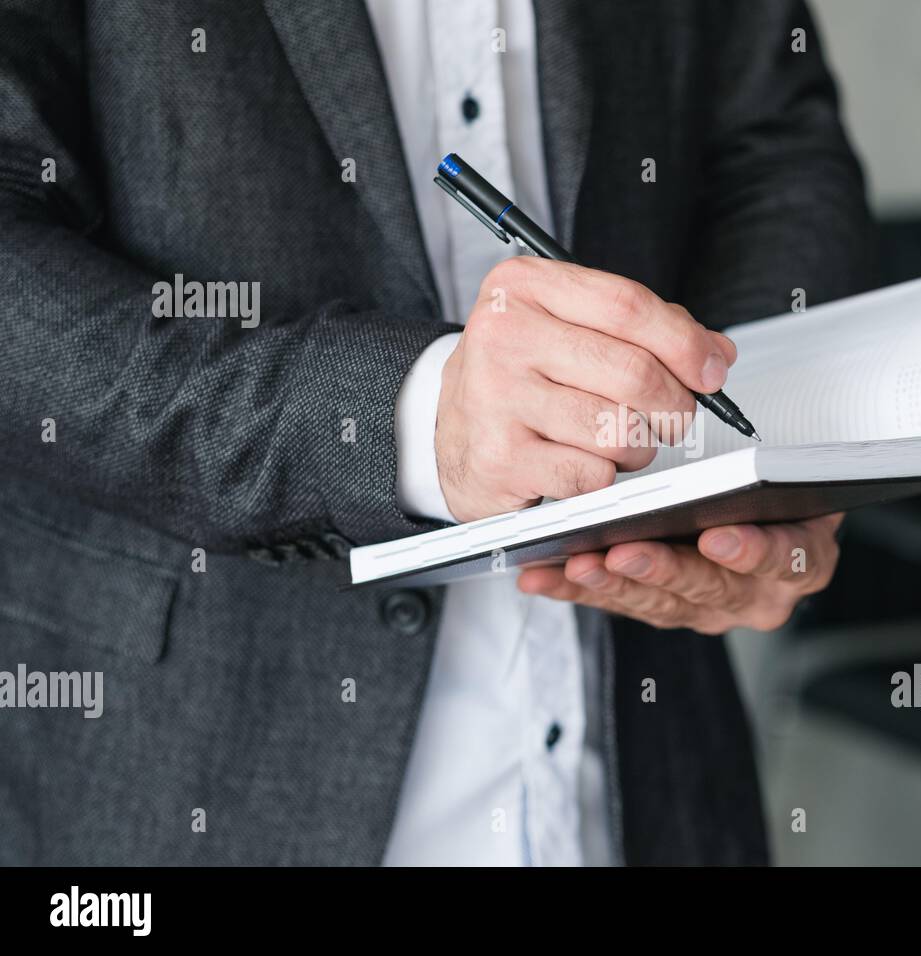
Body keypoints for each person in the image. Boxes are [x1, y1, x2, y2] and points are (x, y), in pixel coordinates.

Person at [0, 0, 874, 865]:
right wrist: (400, 419)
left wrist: (736, 465)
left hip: (644, 765)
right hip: (195, 769)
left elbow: (776, 146)